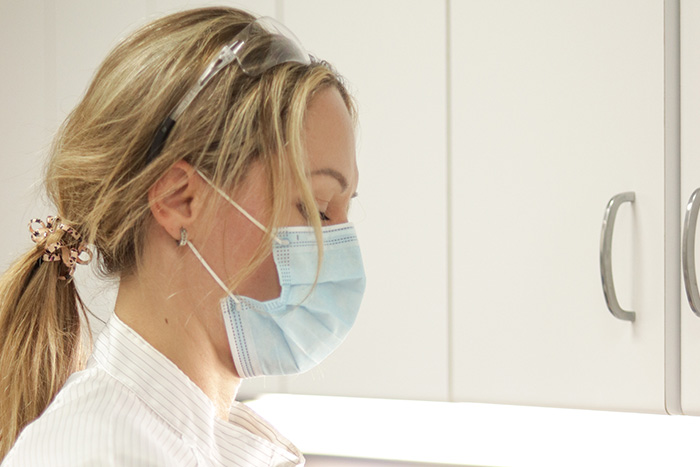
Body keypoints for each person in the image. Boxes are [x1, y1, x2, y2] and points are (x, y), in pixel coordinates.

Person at [0, 6, 365, 466]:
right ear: (180, 200)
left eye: (343, 213)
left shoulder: (221, 445)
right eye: (315, 208)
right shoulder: (90, 453)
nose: (339, 248)